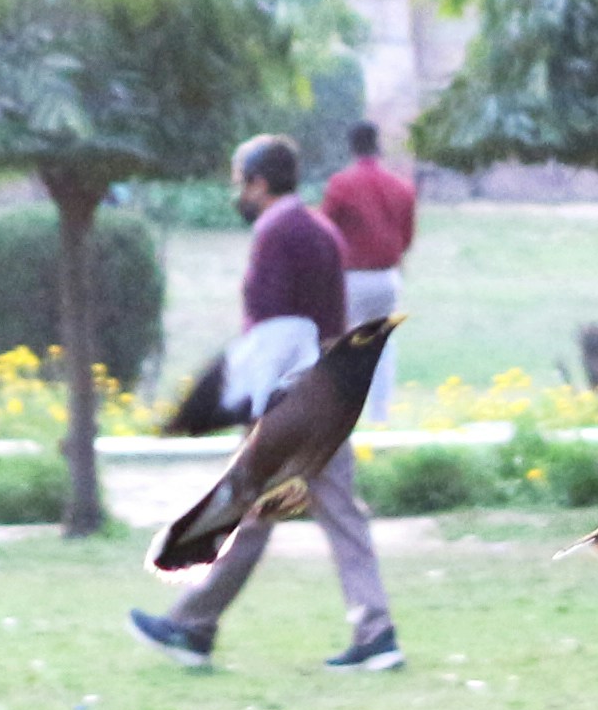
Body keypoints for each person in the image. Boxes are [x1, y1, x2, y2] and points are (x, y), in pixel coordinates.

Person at [131, 133, 394, 674]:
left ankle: (192, 627)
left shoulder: (278, 234)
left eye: (240, 182)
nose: (238, 194)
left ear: (258, 182)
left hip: (292, 398)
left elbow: (277, 329)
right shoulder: (320, 229)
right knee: (294, 514)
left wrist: (260, 407)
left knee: (250, 507)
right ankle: (374, 632)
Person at [319, 120, 417, 423]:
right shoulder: (400, 186)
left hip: (351, 277)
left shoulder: (341, 185)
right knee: (382, 346)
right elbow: (407, 236)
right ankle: (380, 416)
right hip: (387, 277)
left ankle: (344, 414)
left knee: (347, 345)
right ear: (378, 145)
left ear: (351, 147)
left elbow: (326, 230)